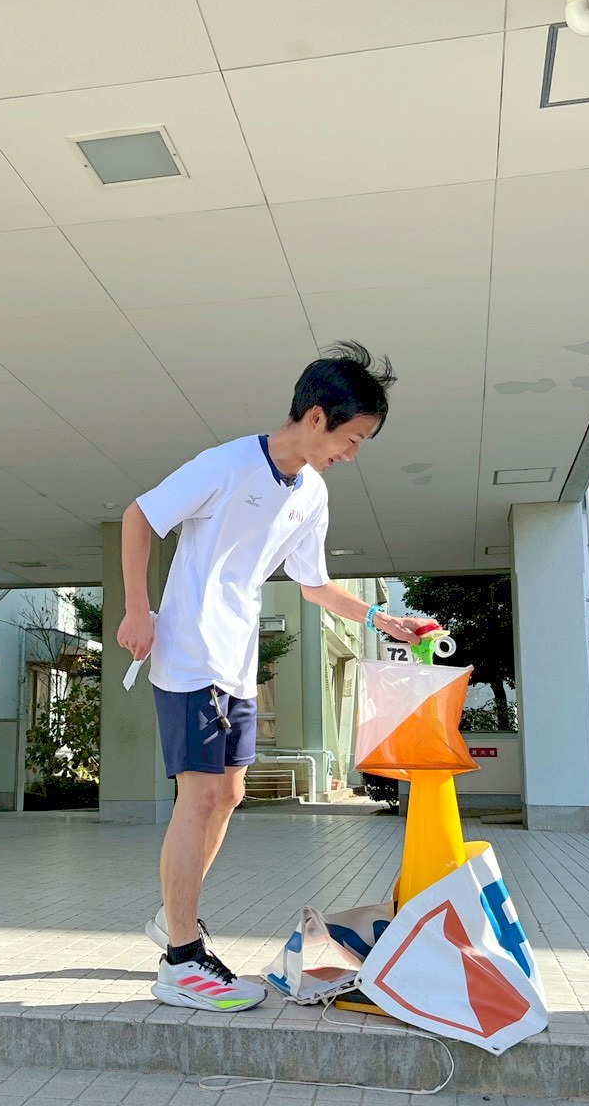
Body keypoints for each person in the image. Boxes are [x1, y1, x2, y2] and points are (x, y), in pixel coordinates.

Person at [116, 341, 438, 1013]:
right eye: (351, 439)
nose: (351, 454)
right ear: (316, 417)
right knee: (199, 795)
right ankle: (181, 960)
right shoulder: (227, 464)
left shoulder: (311, 493)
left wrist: (381, 618)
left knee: (229, 794)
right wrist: (138, 609)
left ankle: (174, 916)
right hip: (190, 653)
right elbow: (140, 515)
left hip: (236, 661)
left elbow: (314, 584)